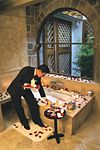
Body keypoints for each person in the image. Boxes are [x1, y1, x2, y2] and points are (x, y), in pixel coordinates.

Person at [7, 64, 50, 130]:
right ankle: (24, 122)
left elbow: (39, 86)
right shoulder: (26, 70)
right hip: (15, 89)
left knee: (33, 103)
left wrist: (43, 97)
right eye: (43, 75)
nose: (43, 76)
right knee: (19, 107)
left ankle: (37, 121)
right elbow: (17, 81)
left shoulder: (38, 75)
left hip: (26, 89)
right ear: (39, 71)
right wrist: (24, 84)